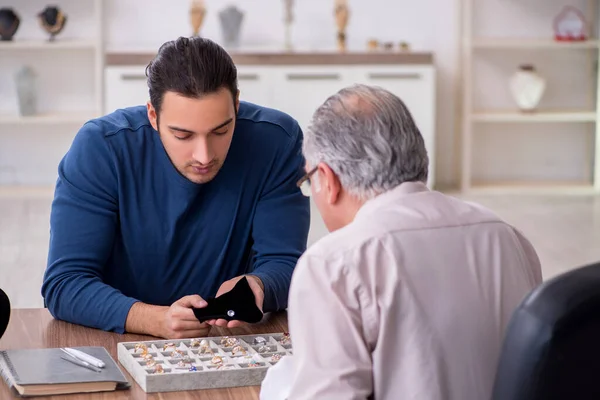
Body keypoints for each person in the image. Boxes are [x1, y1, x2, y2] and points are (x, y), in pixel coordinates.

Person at [260, 84, 542, 400]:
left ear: (328, 179)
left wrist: (280, 386)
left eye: (310, 180)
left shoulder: (334, 263)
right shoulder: (509, 237)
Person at [41, 37, 310, 339]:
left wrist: (259, 284)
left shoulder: (276, 141)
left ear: (236, 105)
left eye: (221, 130)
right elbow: (65, 283)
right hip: (117, 339)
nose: (204, 156)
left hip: (227, 342)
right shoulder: (101, 148)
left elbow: (287, 264)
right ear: (153, 116)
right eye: (183, 135)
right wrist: (153, 319)